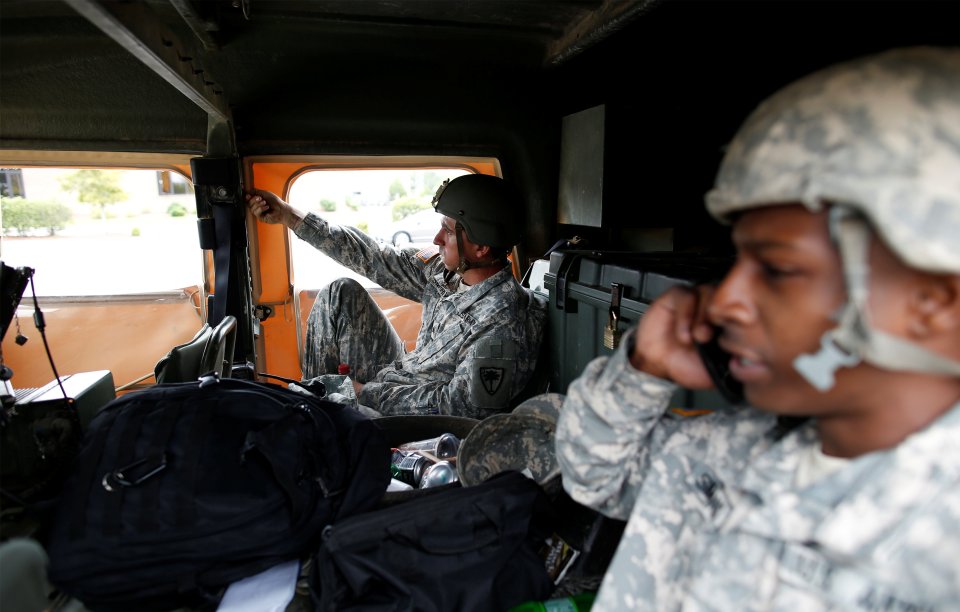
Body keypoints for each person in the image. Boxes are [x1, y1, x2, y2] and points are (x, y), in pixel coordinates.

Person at [555, 46, 960, 610]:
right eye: (735, 263)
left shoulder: (937, 562)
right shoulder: (731, 450)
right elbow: (592, 471)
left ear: (935, 303)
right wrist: (643, 368)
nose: (725, 303)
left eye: (778, 268)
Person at [246, 173, 547, 419]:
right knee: (340, 293)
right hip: (402, 374)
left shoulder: (502, 324)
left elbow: (460, 407)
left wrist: (364, 392)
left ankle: (319, 420)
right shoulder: (446, 272)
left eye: (449, 232)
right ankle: (315, 413)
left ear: (481, 248)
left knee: (332, 402)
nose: (436, 239)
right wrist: (289, 216)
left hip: (419, 415)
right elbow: (376, 257)